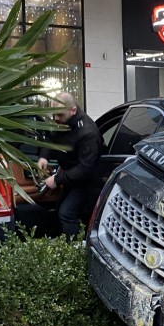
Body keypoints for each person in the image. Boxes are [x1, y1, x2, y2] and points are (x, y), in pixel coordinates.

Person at [37, 92, 103, 237]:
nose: (56, 118)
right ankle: (63, 242)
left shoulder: (87, 132)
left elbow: (85, 168)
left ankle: (74, 247)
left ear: (73, 110)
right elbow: (51, 137)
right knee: (58, 209)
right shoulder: (62, 121)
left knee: (66, 213)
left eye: (60, 115)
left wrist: (57, 179)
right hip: (71, 178)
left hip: (87, 182)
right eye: (54, 114)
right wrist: (44, 157)